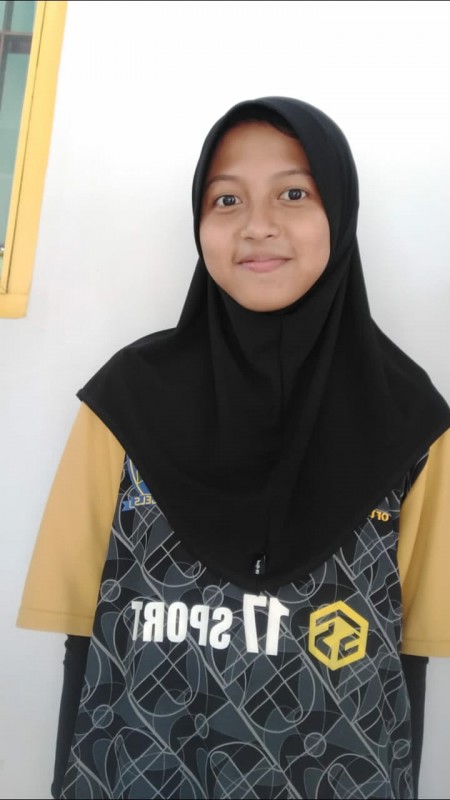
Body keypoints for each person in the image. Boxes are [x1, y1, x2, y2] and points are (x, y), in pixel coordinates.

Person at [17, 96, 450, 800]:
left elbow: (410, 662)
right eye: (226, 199)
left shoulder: (412, 423)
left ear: (341, 212)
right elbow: (82, 644)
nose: (256, 225)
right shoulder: (125, 402)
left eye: (294, 193)